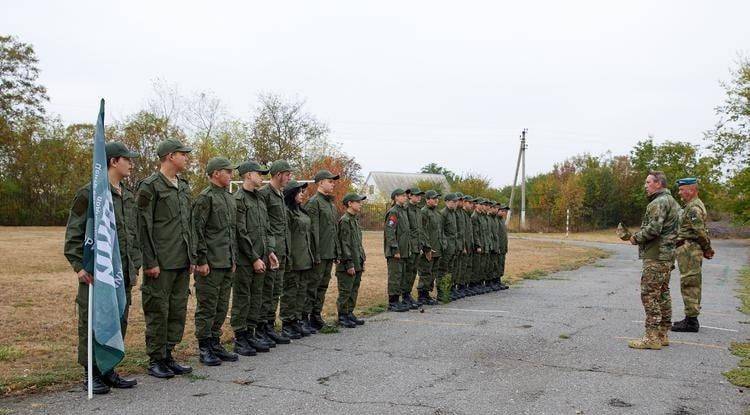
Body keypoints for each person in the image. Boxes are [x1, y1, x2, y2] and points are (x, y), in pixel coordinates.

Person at [64, 141, 141, 394]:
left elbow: (132, 234)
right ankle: (91, 373)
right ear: (113, 161)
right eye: (127, 159)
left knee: (118, 320)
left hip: (122, 273)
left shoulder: (127, 195)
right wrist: (79, 266)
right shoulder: (90, 194)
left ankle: (108, 370)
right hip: (97, 274)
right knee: (93, 322)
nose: (131, 163)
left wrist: (135, 265)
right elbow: (75, 234)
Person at [137, 139, 195, 378]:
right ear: (171, 156)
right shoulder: (149, 186)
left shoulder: (184, 185)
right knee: (158, 310)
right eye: (183, 154)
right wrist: (150, 262)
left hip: (181, 260)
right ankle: (155, 359)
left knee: (177, 309)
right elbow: (143, 226)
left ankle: (168, 353)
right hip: (161, 262)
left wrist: (192, 255)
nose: (186, 158)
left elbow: (188, 224)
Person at [191, 157, 239, 366]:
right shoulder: (205, 198)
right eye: (228, 171)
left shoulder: (229, 198)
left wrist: (233, 258)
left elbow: (231, 232)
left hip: (226, 262)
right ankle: (204, 347)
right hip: (210, 263)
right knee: (207, 306)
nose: (231, 175)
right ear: (216, 173)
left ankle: (215, 342)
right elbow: (197, 231)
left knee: (221, 306)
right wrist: (201, 260)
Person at [627, 171, 680, 350]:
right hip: (667, 255)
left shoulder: (658, 203)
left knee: (649, 295)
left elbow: (654, 229)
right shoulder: (673, 202)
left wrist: (636, 238)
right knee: (663, 294)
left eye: (648, 182)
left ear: (658, 183)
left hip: (656, 256)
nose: (645, 185)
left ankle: (651, 338)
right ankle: (662, 334)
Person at [231, 160, 275, 356]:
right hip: (245, 260)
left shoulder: (259, 199)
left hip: (262, 257)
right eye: (259, 173)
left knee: (257, 296)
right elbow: (241, 233)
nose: (262, 177)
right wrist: (254, 257)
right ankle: (240, 338)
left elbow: (266, 228)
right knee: (243, 298)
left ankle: (251, 332)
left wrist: (270, 251)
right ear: (248, 175)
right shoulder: (239, 199)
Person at [672, 178, 715, 333]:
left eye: (681, 189)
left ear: (690, 189)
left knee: (690, 283)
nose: (679, 192)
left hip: (690, 250)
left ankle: (691, 322)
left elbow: (700, 231)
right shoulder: (691, 206)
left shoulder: (694, 208)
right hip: (687, 249)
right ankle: (689, 318)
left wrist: (707, 248)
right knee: (690, 282)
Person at [258, 160, 293, 345]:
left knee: (276, 290)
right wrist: (270, 249)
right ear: (278, 174)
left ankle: (269, 325)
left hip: (282, 249)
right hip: (271, 251)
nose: (289, 178)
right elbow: (265, 225)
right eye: (287, 174)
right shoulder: (264, 194)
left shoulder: (279, 194)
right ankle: (262, 327)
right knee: (267, 290)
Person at [305, 170, 341, 330]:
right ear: (320, 183)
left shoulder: (330, 204)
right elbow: (313, 231)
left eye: (333, 182)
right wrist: (316, 253)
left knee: (322, 286)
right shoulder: (314, 203)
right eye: (330, 181)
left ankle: (316, 314)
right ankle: (306, 317)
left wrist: (336, 251)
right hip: (319, 254)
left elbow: (334, 230)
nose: (333, 184)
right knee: (312, 286)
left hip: (329, 252)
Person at [280, 179, 316, 338]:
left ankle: (297, 320)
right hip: (293, 257)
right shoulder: (287, 212)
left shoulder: (301, 211)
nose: (302, 195)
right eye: (299, 192)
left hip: (305, 257)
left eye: (302, 192)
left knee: (301, 291)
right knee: (290, 292)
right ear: (291, 194)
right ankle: (288, 323)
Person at [336, 193, 368, 327]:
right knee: (346, 290)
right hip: (347, 264)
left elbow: (357, 244)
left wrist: (361, 260)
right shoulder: (345, 221)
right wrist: (349, 263)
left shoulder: (354, 220)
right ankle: (343, 315)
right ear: (350, 203)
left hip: (357, 261)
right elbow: (344, 244)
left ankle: (349, 313)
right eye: (358, 202)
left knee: (354, 289)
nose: (360, 204)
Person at [384, 188, 411, 312]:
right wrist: (395, 249)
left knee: (401, 275)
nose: (405, 197)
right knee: (395, 276)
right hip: (395, 251)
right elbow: (390, 232)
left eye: (405, 196)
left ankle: (398, 300)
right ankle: (393, 302)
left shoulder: (403, 211)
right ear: (396, 197)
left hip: (403, 250)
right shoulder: (394, 212)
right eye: (402, 196)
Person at [404, 187, 429, 309]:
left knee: (413, 271)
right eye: (416, 195)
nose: (419, 197)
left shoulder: (418, 210)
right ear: (410, 196)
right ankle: (404, 296)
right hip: (410, 245)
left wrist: (424, 245)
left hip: (417, 245)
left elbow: (421, 230)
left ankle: (407, 294)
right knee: (407, 271)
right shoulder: (406, 209)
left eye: (420, 195)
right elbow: (405, 230)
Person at [417, 190, 443, 305]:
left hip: (437, 248)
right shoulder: (424, 212)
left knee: (433, 273)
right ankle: (422, 296)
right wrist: (426, 248)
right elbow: (422, 232)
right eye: (434, 198)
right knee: (425, 272)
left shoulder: (437, 213)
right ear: (427, 200)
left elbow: (439, 231)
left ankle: (427, 294)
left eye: (437, 197)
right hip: (428, 249)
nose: (436, 199)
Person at [438, 193, 459, 302]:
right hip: (446, 247)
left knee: (450, 269)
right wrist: (444, 245)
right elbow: (440, 231)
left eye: (456, 202)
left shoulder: (453, 213)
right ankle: (441, 292)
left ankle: (447, 290)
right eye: (453, 202)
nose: (455, 204)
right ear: (446, 202)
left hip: (453, 246)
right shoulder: (443, 214)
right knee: (443, 270)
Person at [497, 204, 510, 290]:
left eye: (505, 211)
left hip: (502, 246)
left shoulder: (502, 220)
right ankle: (494, 281)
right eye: (502, 211)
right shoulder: (496, 220)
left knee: (501, 264)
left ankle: (498, 280)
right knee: (496, 264)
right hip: (497, 246)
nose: (504, 213)